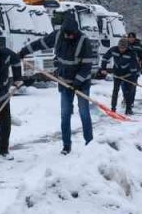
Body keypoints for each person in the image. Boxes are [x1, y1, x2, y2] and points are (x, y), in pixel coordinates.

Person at [19, 13, 99, 154]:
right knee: (65, 114)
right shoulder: (57, 36)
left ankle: (89, 144)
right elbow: (40, 43)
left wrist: (77, 82)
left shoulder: (83, 41)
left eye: (71, 35)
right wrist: (23, 51)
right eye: (66, 35)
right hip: (64, 81)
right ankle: (66, 146)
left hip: (81, 83)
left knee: (84, 112)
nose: (68, 37)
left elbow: (87, 66)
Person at [99, 37, 140, 115]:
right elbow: (105, 58)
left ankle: (128, 109)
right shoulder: (114, 50)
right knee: (115, 91)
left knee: (128, 92)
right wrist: (103, 68)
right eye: (120, 47)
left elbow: (134, 67)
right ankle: (113, 109)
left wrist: (134, 80)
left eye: (123, 48)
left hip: (128, 74)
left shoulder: (131, 53)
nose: (121, 49)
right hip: (117, 73)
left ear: (126, 47)